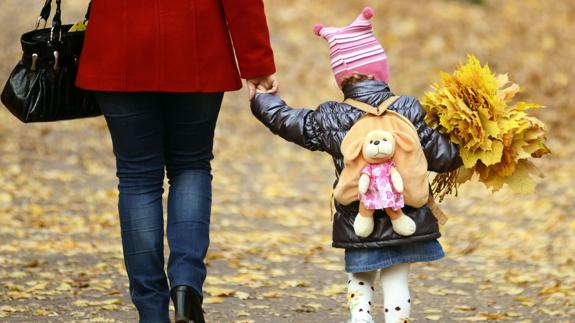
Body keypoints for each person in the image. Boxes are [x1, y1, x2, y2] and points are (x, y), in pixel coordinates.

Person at [250, 8, 461, 323]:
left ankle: (360, 318)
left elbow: (291, 122)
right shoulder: (410, 108)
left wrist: (263, 101)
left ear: (341, 80)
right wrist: (466, 141)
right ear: (381, 71)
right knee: (396, 281)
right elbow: (442, 157)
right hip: (407, 215)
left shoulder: (332, 115)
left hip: (356, 219)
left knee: (360, 278)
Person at [75, 1, 277, 322]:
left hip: (119, 44)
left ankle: (152, 310)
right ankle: (186, 287)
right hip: (197, 42)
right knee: (192, 165)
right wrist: (256, 62)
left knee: (137, 178)